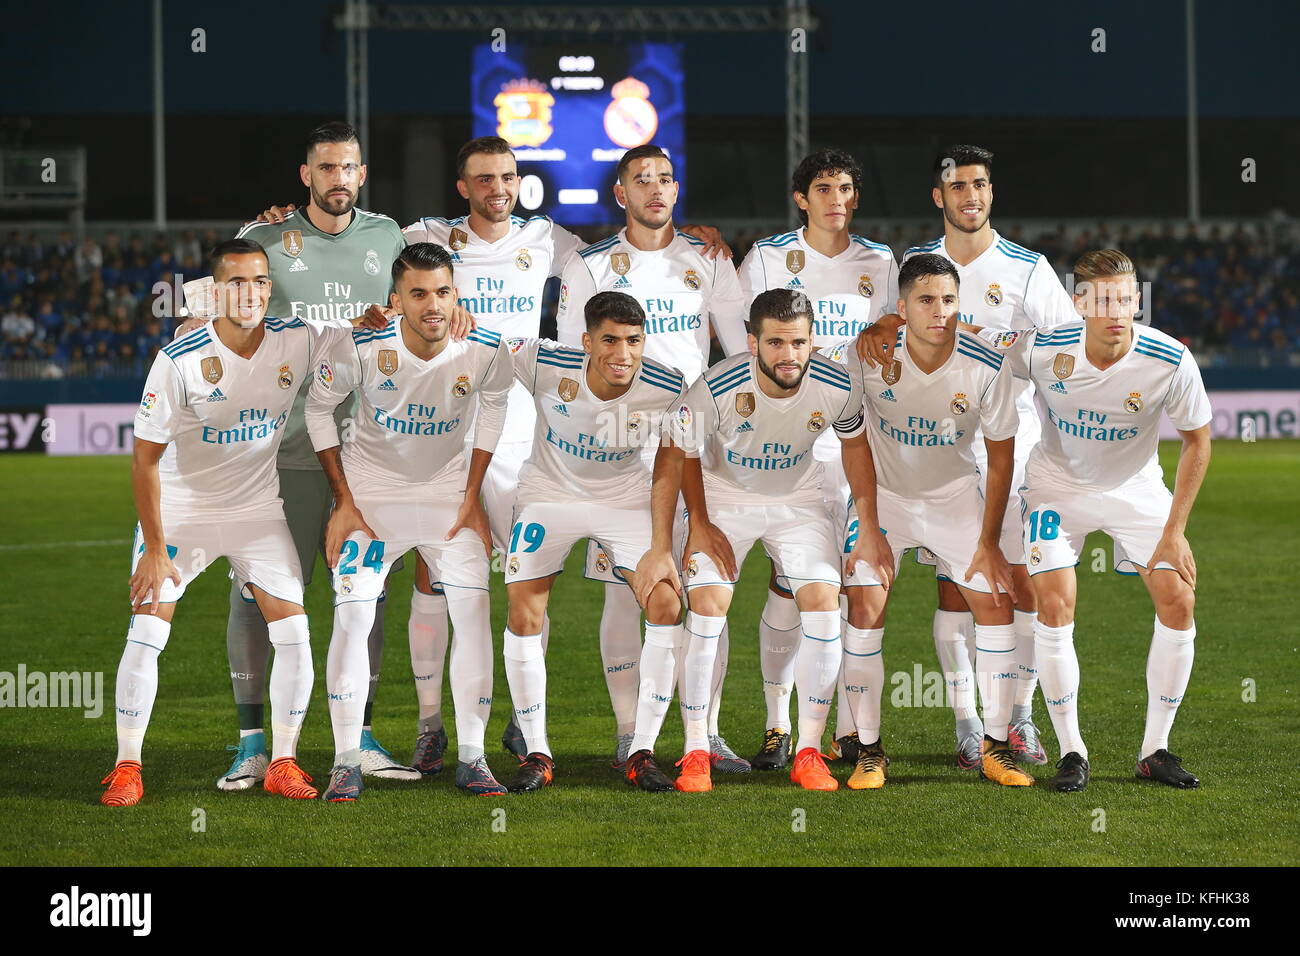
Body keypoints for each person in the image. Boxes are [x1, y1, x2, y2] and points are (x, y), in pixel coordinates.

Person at [856, 145, 1077, 769]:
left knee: (1019, 585)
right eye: (957, 187)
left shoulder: (1029, 270)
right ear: (939, 196)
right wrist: (877, 328)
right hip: (940, 455)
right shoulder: (916, 268)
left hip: (1011, 446)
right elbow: (880, 341)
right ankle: (967, 724)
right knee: (956, 591)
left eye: (979, 184)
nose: (969, 196)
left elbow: (1064, 353)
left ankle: (1020, 718)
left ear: (990, 191)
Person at [101, 239, 336, 806]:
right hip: (182, 513)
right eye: (235, 282)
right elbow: (144, 460)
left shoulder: (296, 340)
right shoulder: (179, 358)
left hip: (256, 511)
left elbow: (359, 328)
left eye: (258, 281)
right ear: (215, 290)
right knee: (149, 629)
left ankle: (283, 760)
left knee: (295, 633)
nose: (249, 293)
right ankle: (126, 765)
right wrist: (155, 548)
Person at [213, 122, 413, 789]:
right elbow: (223, 320)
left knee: (368, 596)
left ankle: (360, 736)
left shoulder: (390, 237)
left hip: (368, 452)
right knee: (260, 591)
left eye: (349, 167)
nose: (339, 179)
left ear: (362, 172)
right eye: (326, 168)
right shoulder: (264, 238)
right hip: (283, 450)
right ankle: (251, 742)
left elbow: (420, 311)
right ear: (306, 176)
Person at [979, 249, 1212, 792]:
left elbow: (1198, 442)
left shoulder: (1169, 360)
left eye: (1126, 299)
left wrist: (1174, 532)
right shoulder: (1041, 349)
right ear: (1078, 302)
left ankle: (1155, 749)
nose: (1116, 310)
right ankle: (1072, 751)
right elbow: (978, 347)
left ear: (1138, 301)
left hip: (1136, 490)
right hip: (1057, 490)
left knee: (1179, 599)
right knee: (1053, 603)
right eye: (1103, 299)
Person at [556, 144, 751, 774]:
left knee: (706, 590)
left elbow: (740, 349)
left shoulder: (711, 260)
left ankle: (708, 732)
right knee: (625, 592)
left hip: (698, 448)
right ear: (621, 194)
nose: (656, 190)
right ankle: (626, 731)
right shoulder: (589, 266)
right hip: (623, 449)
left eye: (665, 179)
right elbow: (571, 360)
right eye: (642, 180)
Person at [642, 288, 883, 793]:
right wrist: (700, 524)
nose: (788, 355)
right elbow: (678, 449)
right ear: (753, 342)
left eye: (797, 342)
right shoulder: (717, 385)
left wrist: (869, 524)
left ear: (812, 341)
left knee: (822, 605)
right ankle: (695, 752)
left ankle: (809, 751)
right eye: (775, 343)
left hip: (800, 499)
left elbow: (857, 447)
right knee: (708, 605)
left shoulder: (838, 384)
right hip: (726, 498)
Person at [305, 243, 514, 800]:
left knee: (473, 612)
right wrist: (343, 500)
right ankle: (345, 760)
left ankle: (473, 756)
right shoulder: (363, 345)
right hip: (372, 500)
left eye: (443, 292)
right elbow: (317, 407)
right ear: (395, 300)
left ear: (456, 295)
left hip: (449, 496)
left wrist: (473, 495)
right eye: (418, 293)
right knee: (352, 619)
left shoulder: (486, 349)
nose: (432, 305)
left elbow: (495, 406)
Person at [736, 147, 899, 768]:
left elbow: (890, 332)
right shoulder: (769, 258)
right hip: (788, 440)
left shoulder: (881, 262)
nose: (837, 198)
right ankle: (779, 725)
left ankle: (844, 730)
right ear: (801, 198)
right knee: (788, 580)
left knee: (845, 584)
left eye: (847, 188)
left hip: (857, 438)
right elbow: (745, 340)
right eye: (824, 188)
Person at [839, 254, 1028, 789]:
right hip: (885, 499)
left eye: (948, 300)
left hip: (953, 498)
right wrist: (870, 528)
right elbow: (852, 440)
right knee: (864, 602)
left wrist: (989, 542)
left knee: (994, 601)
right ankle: (870, 750)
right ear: (900, 309)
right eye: (925, 300)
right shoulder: (867, 354)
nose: (938, 311)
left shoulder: (988, 363)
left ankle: (994, 745)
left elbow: (1001, 460)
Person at [500, 291, 689, 793]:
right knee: (524, 614)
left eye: (633, 340)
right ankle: (537, 752)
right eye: (609, 340)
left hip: (624, 497)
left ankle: (641, 749)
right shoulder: (542, 360)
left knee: (667, 605)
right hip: (548, 494)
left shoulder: (667, 385)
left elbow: (670, 462)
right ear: (586, 341)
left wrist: (660, 543)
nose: (622, 353)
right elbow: (479, 344)